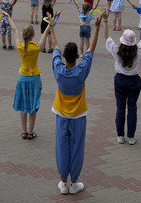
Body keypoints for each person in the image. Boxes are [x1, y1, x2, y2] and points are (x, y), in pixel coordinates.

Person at [51, 12, 104, 195]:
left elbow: (55, 45)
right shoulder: (81, 71)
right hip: (79, 116)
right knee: (77, 148)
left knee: (61, 147)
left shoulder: (59, 70)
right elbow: (91, 49)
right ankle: (74, 182)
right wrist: (96, 27)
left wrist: (51, 25)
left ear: (65, 55)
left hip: (61, 115)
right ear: (77, 56)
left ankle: (63, 183)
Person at [104, 11, 141, 145]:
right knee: (132, 109)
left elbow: (107, 36)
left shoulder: (116, 51)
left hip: (120, 80)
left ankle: (120, 135)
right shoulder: (137, 50)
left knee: (120, 108)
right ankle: (131, 136)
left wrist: (104, 21)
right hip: (133, 81)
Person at [3, 10, 52, 140]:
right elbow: (45, 34)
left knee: (23, 105)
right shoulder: (36, 47)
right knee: (33, 105)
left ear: (24, 36)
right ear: (33, 35)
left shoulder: (20, 46)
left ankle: (24, 131)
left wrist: (8, 17)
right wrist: (51, 22)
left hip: (23, 78)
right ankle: (31, 132)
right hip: (34, 78)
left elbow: (14, 30)